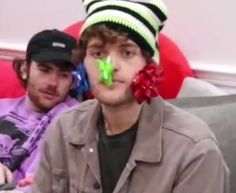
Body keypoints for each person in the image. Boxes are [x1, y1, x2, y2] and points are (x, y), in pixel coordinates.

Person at [30, 0, 229, 193]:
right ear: (83, 65)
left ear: (149, 66)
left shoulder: (194, 150)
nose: (111, 66)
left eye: (126, 53)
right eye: (98, 53)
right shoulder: (63, 130)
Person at [0, 29, 79, 191]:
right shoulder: (2, 107)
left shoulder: (74, 119)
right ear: (24, 69)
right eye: (45, 70)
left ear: (72, 81)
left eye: (64, 74)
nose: (53, 82)